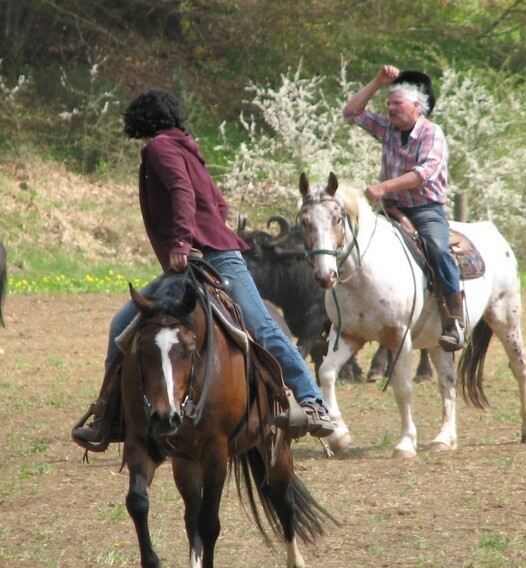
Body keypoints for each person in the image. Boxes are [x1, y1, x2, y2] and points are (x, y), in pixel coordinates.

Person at [72, 90, 334, 451]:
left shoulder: (159, 149)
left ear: (142, 119)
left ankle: (313, 402)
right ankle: (109, 413)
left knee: (127, 324)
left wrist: (181, 243)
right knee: (258, 326)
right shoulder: (186, 146)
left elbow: (182, 192)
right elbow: (218, 203)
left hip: (207, 257)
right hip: (205, 256)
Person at [342, 66, 464, 351]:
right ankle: (344, 315)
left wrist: (383, 187)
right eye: (388, 103)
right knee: (350, 242)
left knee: (437, 247)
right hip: (391, 208)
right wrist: (377, 82)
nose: (390, 108)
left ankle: (454, 319)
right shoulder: (388, 128)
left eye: (397, 103)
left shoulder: (432, 134)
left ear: (417, 107)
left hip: (425, 209)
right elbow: (351, 113)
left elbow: (423, 174)